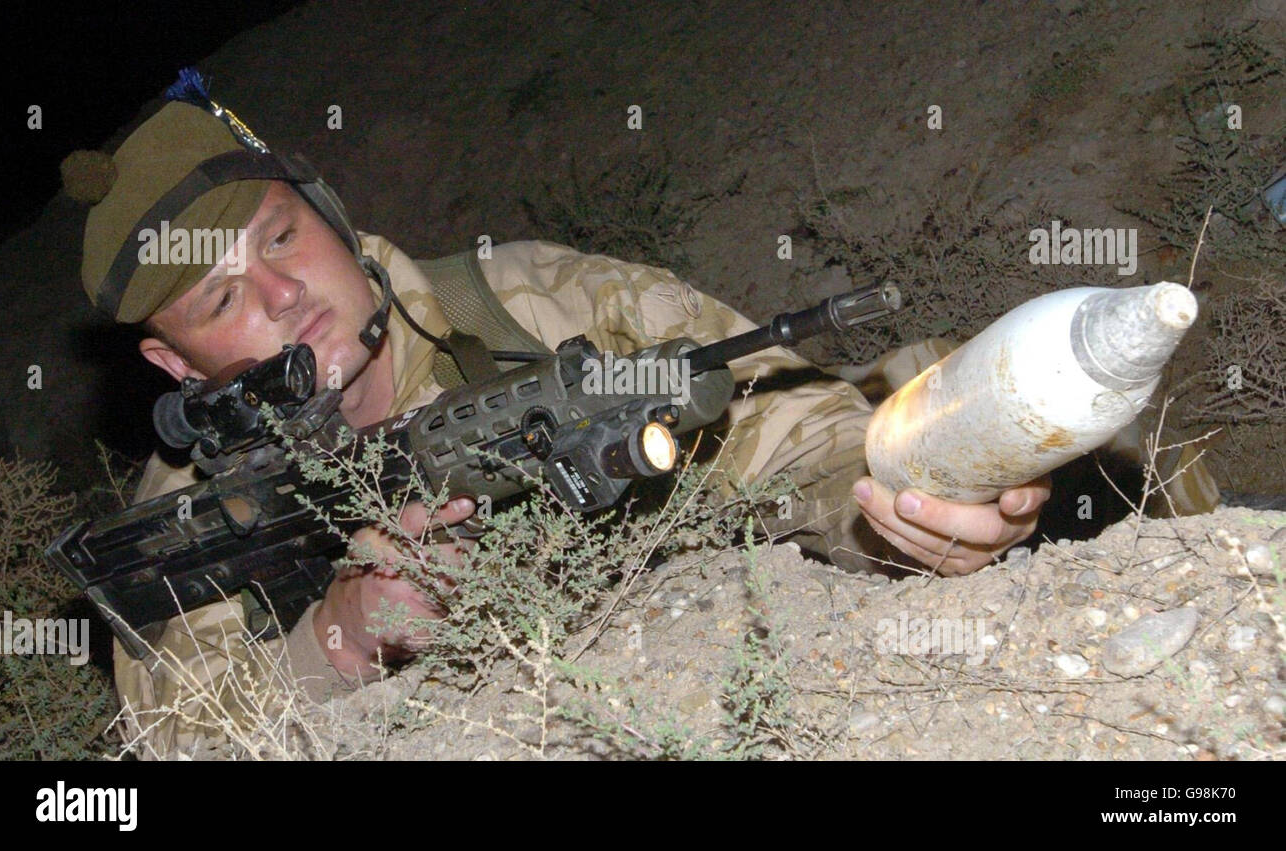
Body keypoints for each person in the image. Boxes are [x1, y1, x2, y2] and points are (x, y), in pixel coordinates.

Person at [69, 91, 1051, 757]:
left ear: (327, 213)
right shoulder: (192, 524)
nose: (284, 294)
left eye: (281, 236)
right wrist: (342, 637)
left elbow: (782, 415)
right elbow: (185, 736)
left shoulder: (533, 307)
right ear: (172, 362)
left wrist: (894, 502)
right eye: (221, 298)